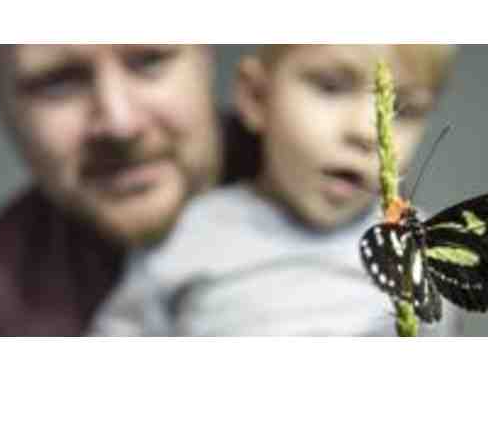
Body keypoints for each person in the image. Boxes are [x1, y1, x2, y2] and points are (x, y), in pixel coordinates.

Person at [91, 44, 463, 336]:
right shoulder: (190, 234)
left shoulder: (426, 250)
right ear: (256, 96)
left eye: (404, 109)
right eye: (331, 87)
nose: (366, 131)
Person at [0, 44, 258, 335]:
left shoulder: (289, 187)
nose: (120, 125)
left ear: (206, 53)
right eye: (58, 83)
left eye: (149, 60)